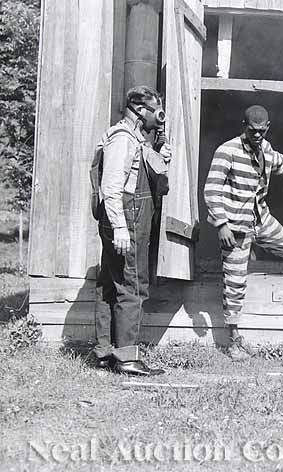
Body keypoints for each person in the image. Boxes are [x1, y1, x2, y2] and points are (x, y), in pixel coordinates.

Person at [204, 105, 283, 361]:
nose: (256, 135)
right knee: (234, 284)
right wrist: (221, 224)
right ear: (243, 126)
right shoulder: (227, 150)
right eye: (252, 130)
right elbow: (211, 190)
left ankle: (250, 256)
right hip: (234, 228)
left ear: (267, 128)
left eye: (261, 131)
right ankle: (233, 340)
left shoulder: (266, 149)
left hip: (260, 220)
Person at [90, 85, 171, 376]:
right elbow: (111, 188)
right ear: (139, 109)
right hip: (126, 219)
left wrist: (159, 152)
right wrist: (121, 229)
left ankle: (105, 352)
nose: (159, 117)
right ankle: (127, 358)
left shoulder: (134, 139)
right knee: (132, 285)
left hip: (124, 217)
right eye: (155, 111)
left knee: (110, 283)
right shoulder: (123, 139)